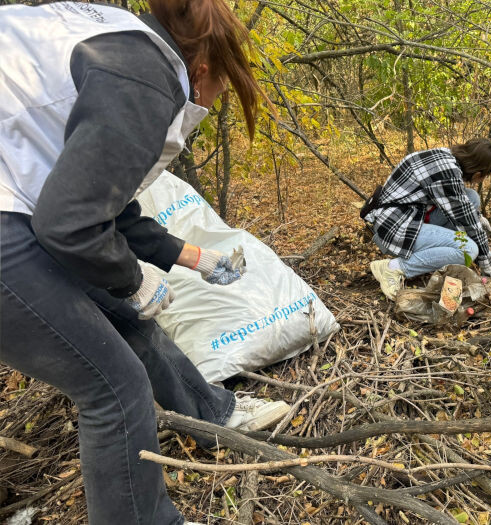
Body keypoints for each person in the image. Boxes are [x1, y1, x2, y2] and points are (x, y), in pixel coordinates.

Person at [0, 2, 288, 524]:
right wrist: (132, 279)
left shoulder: (115, 35)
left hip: (17, 208)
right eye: (224, 86)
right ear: (204, 69)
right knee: (113, 387)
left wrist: (194, 257)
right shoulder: (146, 74)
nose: (218, 99)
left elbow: (100, 204)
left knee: (127, 319)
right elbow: (70, 224)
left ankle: (213, 413)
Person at [364, 138, 491, 300]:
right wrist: (489, 268)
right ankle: (393, 268)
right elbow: (469, 223)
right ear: (479, 173)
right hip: (395, 228)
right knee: (468, 250)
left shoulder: (444, 157)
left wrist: (476, 218)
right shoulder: (447, 174)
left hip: (406, 215)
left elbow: (459, 204)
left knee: (472, 197)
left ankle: (445, 257)